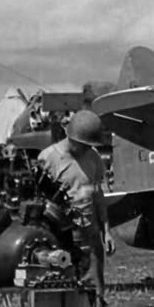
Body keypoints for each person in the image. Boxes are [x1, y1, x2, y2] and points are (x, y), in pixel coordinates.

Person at [36, 110, 113, 270]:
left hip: (90, 234)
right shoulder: (47, 158)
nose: (87, 149)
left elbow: (98, 195)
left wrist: (106, 231)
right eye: (83, 145)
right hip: (61, 235)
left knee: (94, 280)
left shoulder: (93, 156)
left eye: (89, 145)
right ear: (70, 136)